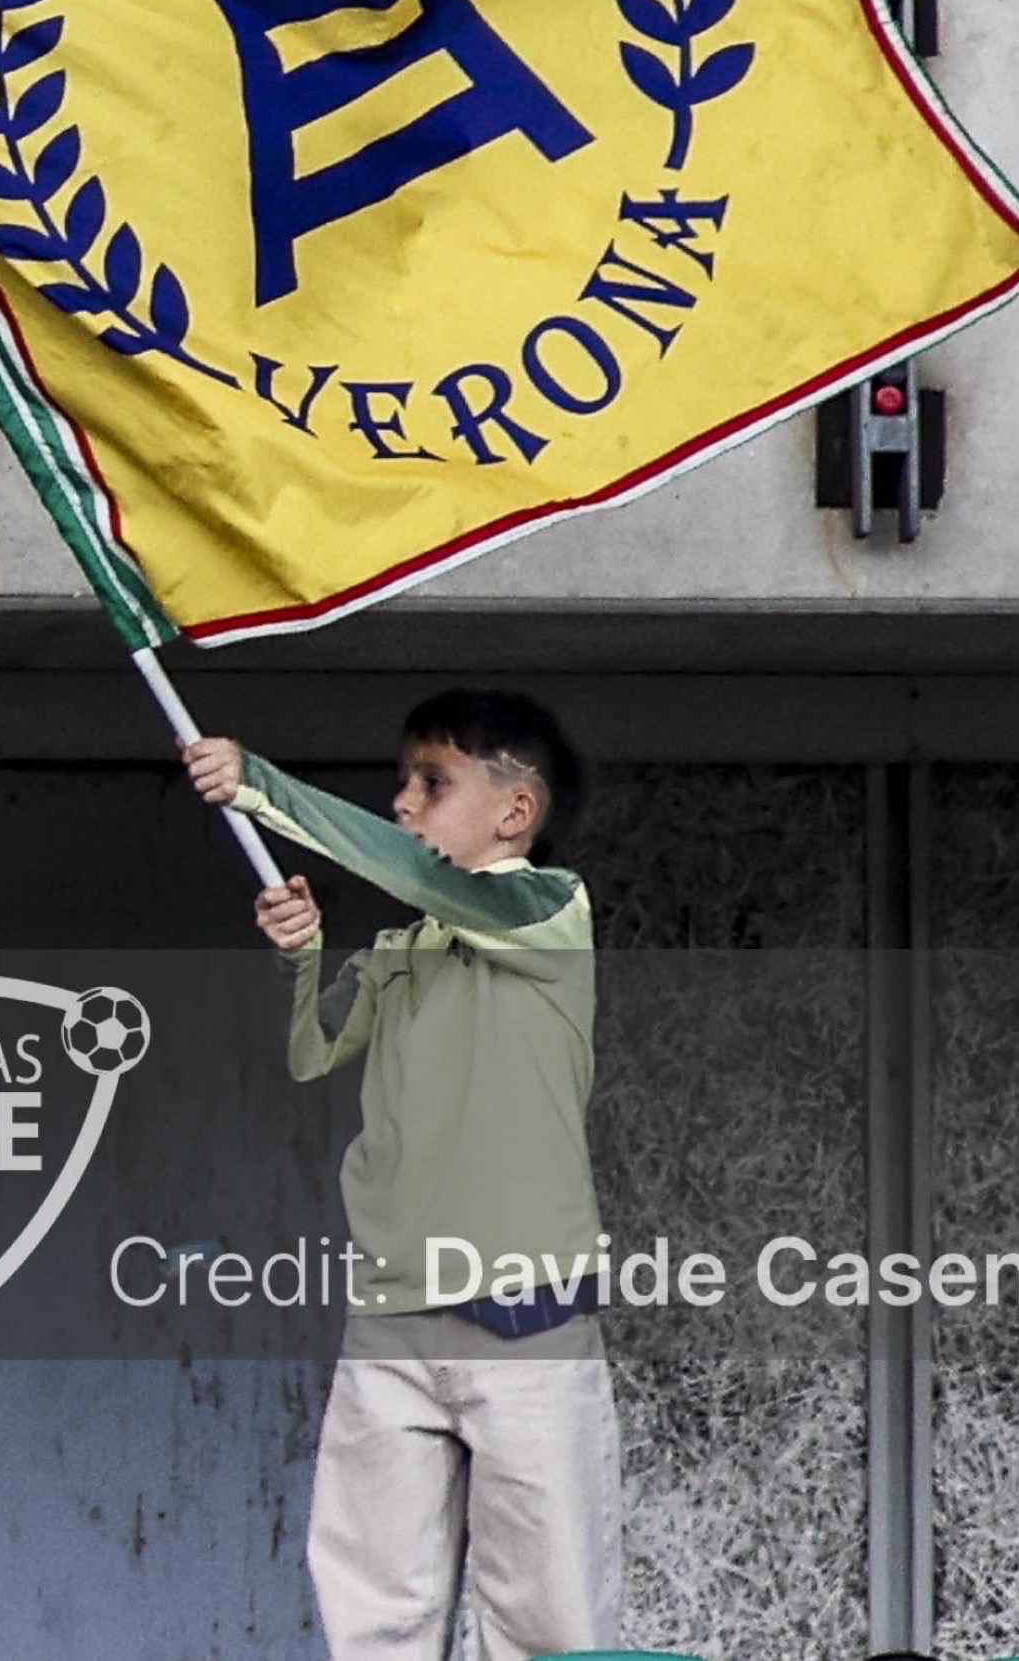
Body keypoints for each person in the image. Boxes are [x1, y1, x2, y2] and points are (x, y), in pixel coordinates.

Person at [181, 691, 613, 1661]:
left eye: (433, 781)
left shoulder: (549, 910)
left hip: (525, 1311)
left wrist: (261, 787)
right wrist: (301, 957)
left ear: (516, 811)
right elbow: (310, 1050)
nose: (403, 802)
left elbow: (424, 876)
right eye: (405, 780)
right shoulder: (401, 951)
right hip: (391, 1311)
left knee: (547, 1616)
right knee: (374, 1611)